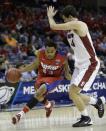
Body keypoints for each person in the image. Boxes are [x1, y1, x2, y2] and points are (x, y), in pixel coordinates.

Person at [47, 5, 105, 127]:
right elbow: (76, 48)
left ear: (70, 17)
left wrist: (50, 17)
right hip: (80, 64)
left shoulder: (79, 24)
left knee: (74, 92)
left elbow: (53, 26)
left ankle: (86, 118)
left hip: (90, 64)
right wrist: (70, 68)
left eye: (64, 19)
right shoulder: (71, 29)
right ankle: (97, 102)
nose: (64, 21)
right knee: (72, 94)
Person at [12, 40, 71, 124]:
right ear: (45, 50)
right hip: (41, 76)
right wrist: (20, 71)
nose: (49, 53)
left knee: (40, 91)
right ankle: (48, 105)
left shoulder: (62, 58)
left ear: (56, 50)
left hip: (54, 78)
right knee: (39, 95)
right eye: (47, 51)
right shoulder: (41, 54)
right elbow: (34, 65)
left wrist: (74, 81)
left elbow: (67, 74)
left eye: (52, 52)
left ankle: (20, 115)